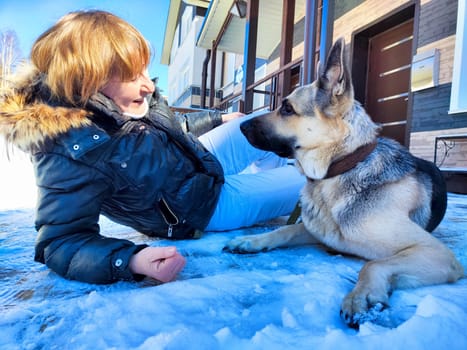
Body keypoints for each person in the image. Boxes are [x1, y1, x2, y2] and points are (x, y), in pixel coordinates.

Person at [0, 10, 304, 284]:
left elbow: (172, 128)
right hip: (199, 210)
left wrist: (218, 117)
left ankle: (266, 190)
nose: (148, 84)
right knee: (305, 184)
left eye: (145, 71)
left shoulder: (126, 102)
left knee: (259, 124)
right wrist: (128, 260)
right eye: (134, 75)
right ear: (86, 78)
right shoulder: (67, 148)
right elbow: (61, 242)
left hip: (200, 162)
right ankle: (273, 194)